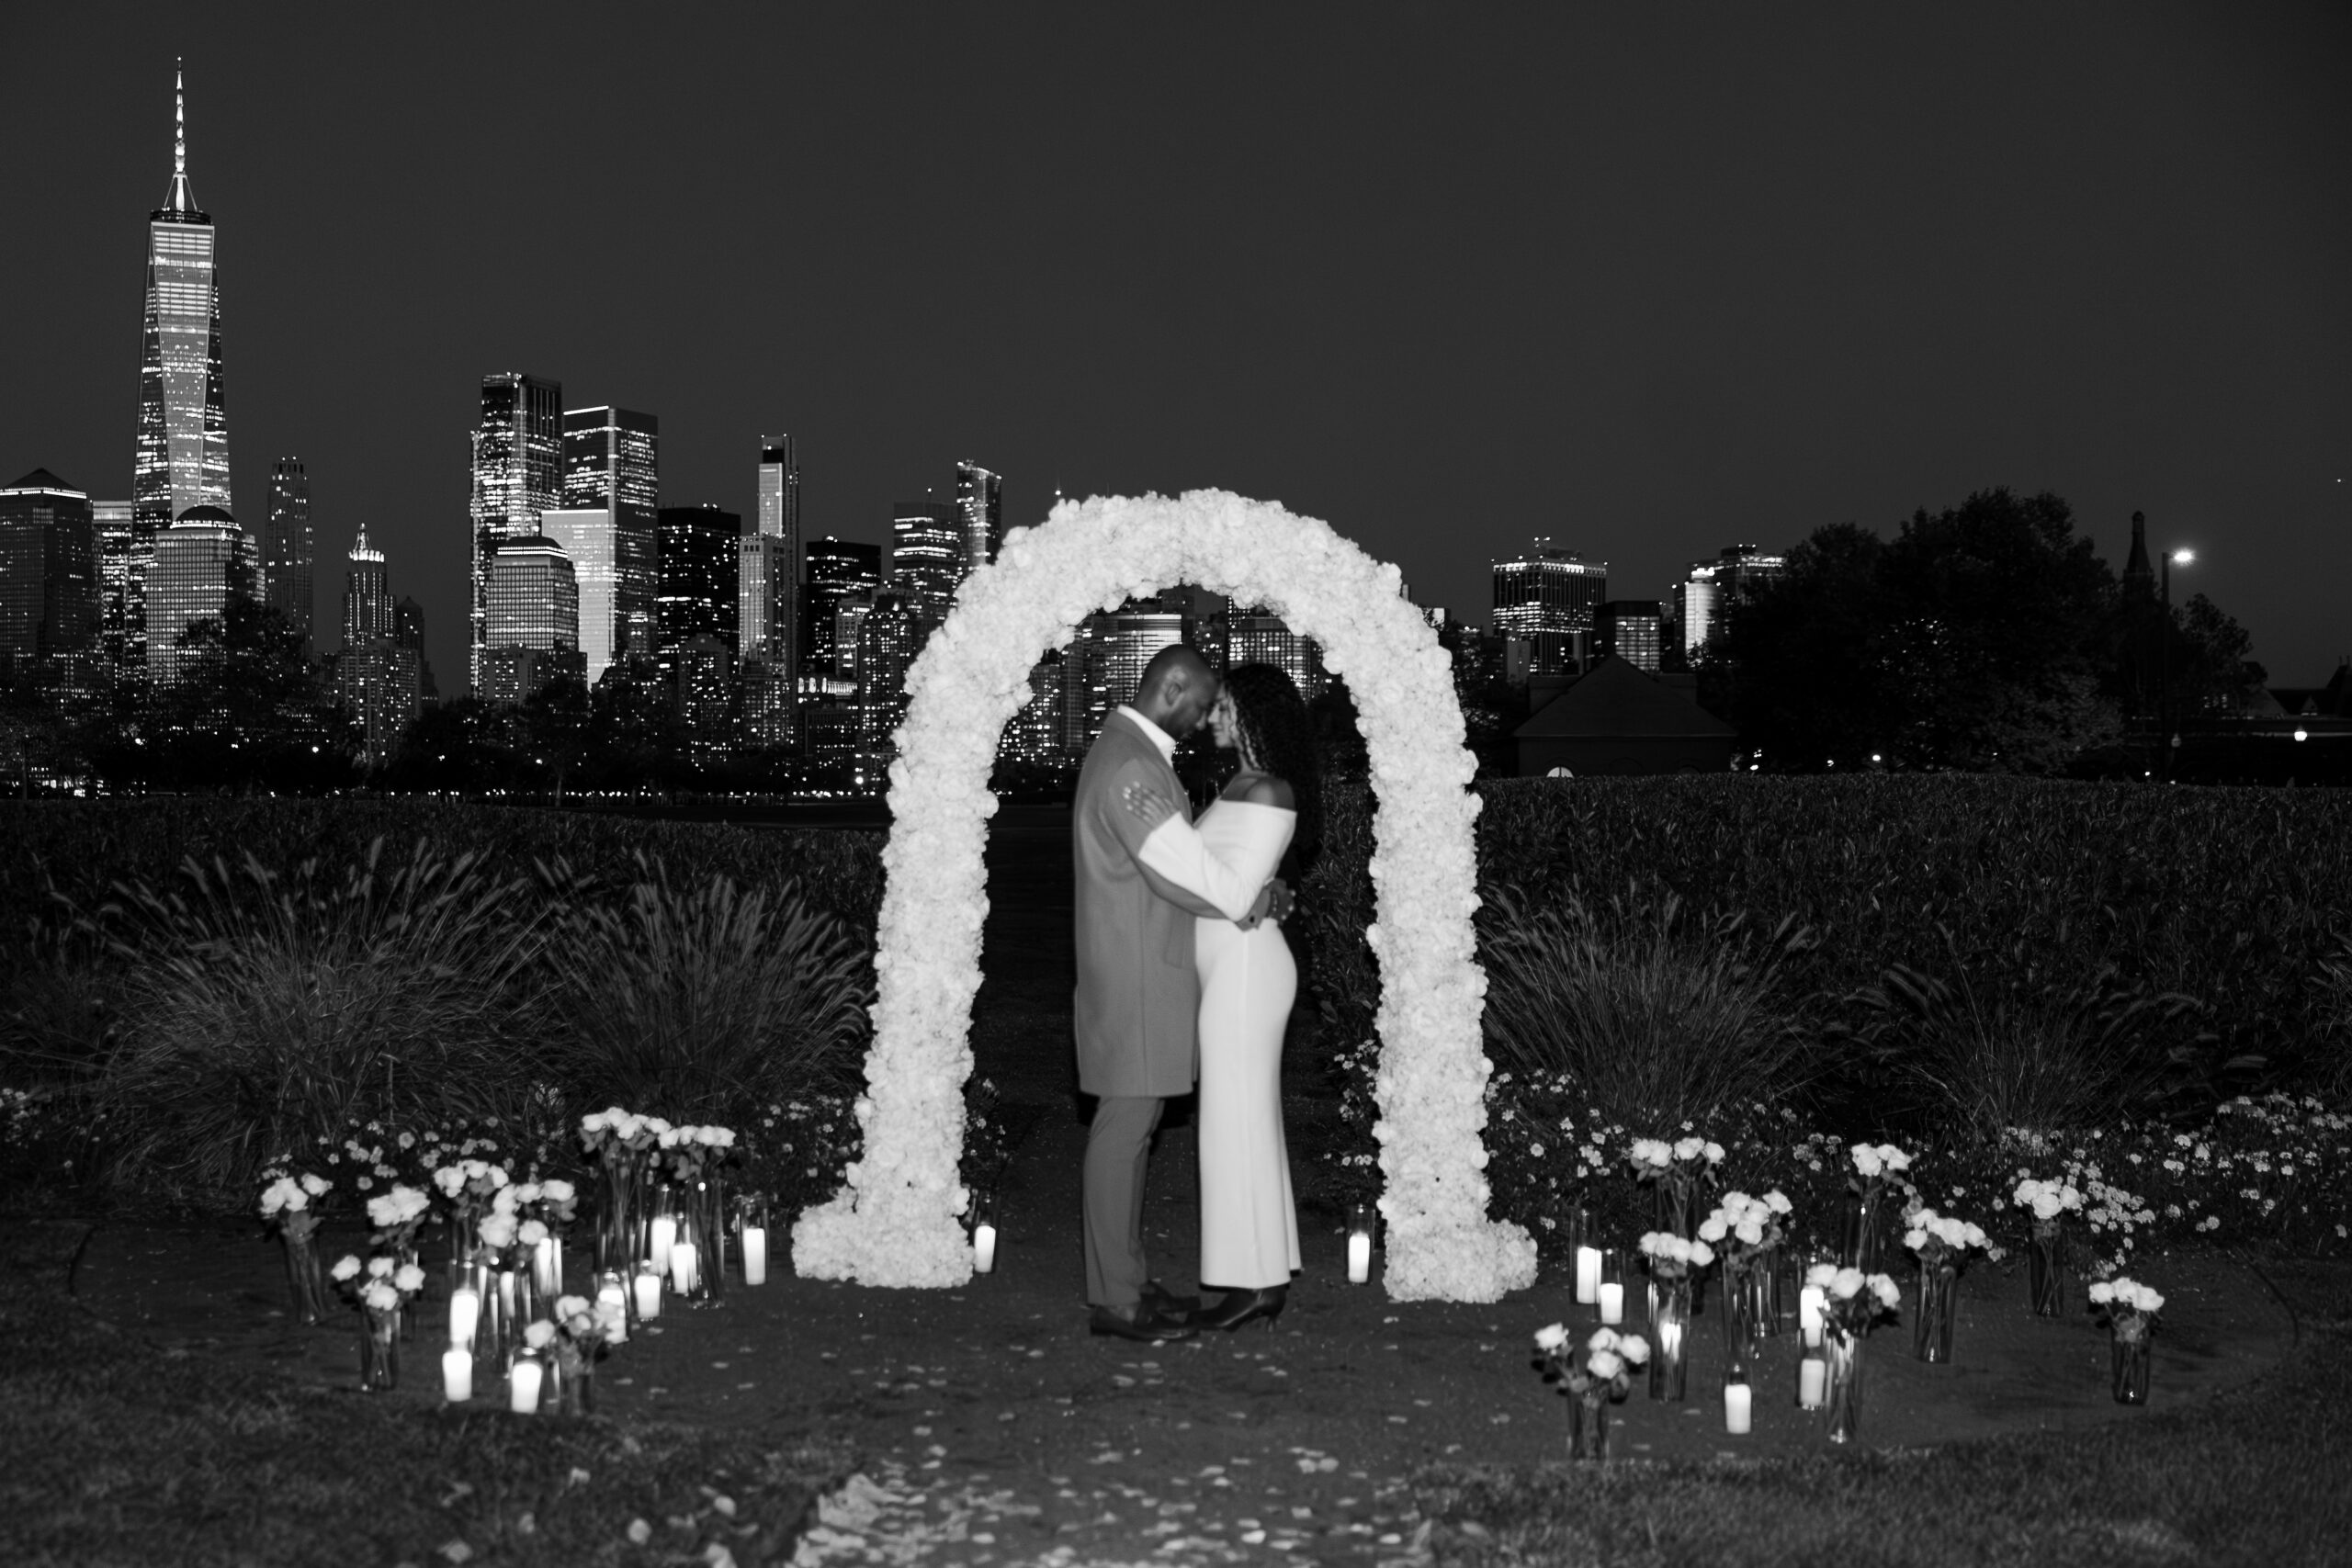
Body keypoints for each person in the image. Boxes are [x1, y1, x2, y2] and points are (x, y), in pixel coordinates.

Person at [1071, 644, 1283, 1342]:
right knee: (1123, 1131)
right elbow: (1180, 867)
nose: (1204, 717)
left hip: (1141, 967)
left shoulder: (1130, 753)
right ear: (1172, 687)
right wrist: (1253, 900)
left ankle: (1126, 1281)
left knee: (1134, 1130)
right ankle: (1116, 1301)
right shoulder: (1132, 764)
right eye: (1201, 703)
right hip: (1137, 972)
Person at [1120, 663, 1317, 1333]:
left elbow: (1227, 889)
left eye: (1226, 707)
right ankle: (1263, 1271)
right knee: (1241, 1119)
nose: (1212, 718)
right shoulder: (1238, 785)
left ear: (1257, 715)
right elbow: (1225, 881)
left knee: (1235, 1123)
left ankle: (1253, 1282)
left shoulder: (1269, 790)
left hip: (1246, 972)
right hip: (1230, 969)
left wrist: (1166, 830)